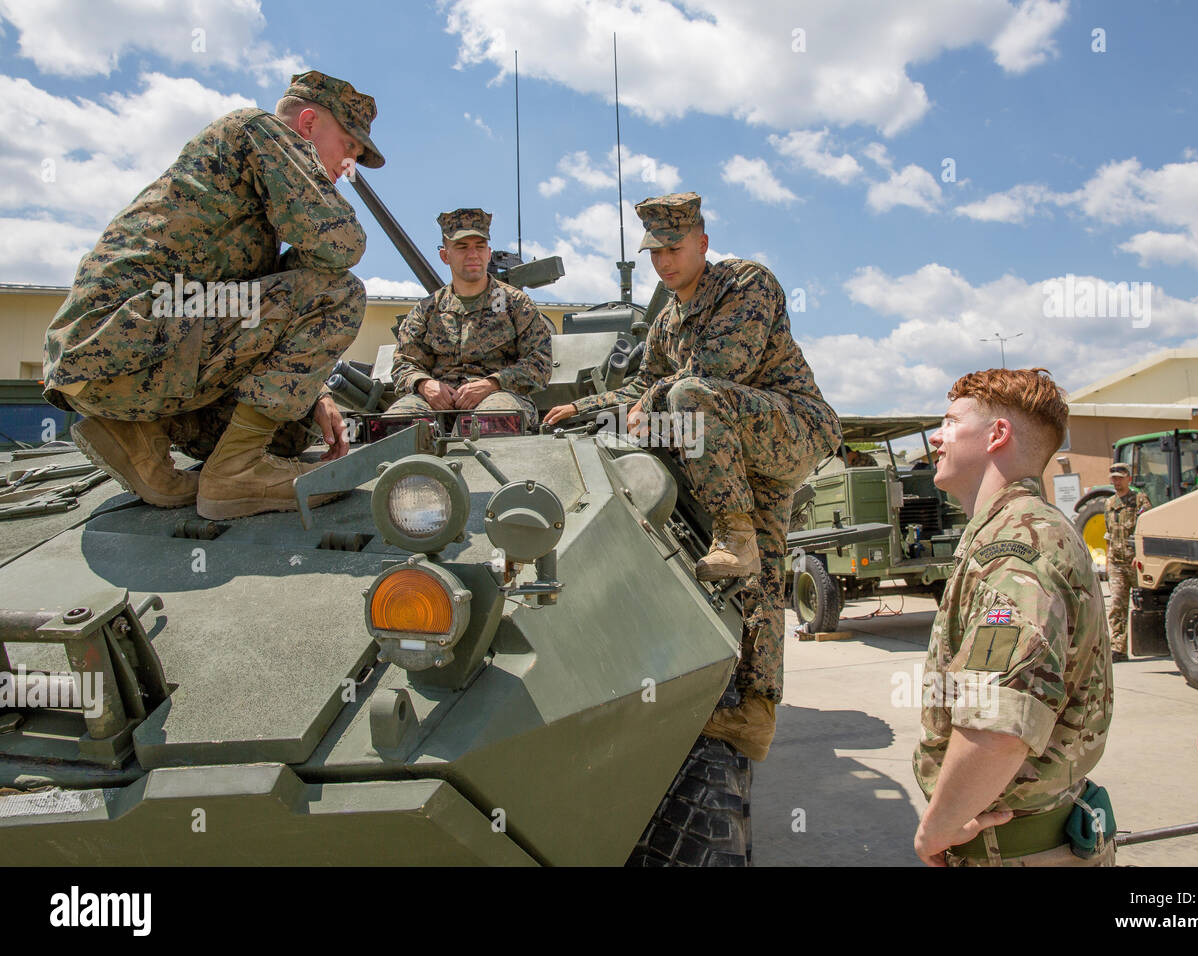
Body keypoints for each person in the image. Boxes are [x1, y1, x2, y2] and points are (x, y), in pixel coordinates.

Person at [542, 192, 840, 761]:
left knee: (687, 396)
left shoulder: (748, 284)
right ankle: (756, 711)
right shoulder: (667, 322)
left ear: (703, 242)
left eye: (674, 248)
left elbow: (715, 374)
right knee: (761, 581)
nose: (663, 262)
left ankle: (734, 534)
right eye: (654, 252)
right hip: (739, 456)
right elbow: (640, 387)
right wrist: (583, 408)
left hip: (790, 427)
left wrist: (651, 399)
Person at [44, 70, 382, 520]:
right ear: (306, 124)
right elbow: (341, 244)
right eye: (349, 148)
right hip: (121, 334)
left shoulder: (256, 208)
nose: (349, 167)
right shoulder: (257, 129)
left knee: (291, 427)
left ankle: (139, 437)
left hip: (129, 351)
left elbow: (259, 316)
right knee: (339, 292)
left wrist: (314, 391)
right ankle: (236, 473)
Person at [912, 368, 1113, 867]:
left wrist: (934, 831)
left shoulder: (1015, 549)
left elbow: (997, 724)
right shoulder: (1021, 533)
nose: (936, 437)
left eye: (951, 422)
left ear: (997, 435)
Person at [387, 209, 551, 429]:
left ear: (488, 253)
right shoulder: (426, 311)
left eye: (480, 247)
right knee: (395, 424)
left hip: (501, 396)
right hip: (437, 403)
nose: (473, 254)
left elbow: (540, 362)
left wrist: (493, 383)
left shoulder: (516, 304)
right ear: (445, 255)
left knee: (492, 420)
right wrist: (424, 384)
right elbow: (404, 363)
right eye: (462, 247)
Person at [1104, 462, 1152, 662]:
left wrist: (1142, 556)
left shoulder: (1140, 500)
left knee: (1147, 604)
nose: (1116, 482)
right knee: (1116, 605)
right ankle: (1118, 649)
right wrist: (1108, 561)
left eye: (1119, 478)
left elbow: (1148, 529)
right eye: (1113, 478)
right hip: (1116, 563)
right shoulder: (1109, 503)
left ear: (1128, 479)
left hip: (1136, 562)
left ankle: (1154, 643)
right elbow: (1109, 533)